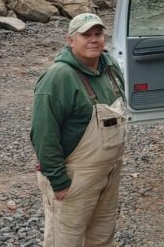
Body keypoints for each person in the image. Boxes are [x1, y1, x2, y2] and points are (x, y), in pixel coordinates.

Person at [31, 13, 127, 246]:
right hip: (75, 179)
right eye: (86, 35)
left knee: (102, 238)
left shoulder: (110, 67)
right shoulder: (58, 78)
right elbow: (43, 134)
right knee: (66, 241)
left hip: (108, 174)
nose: (94, 39)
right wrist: (59, 181)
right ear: (71, 40)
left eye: (98, 34)